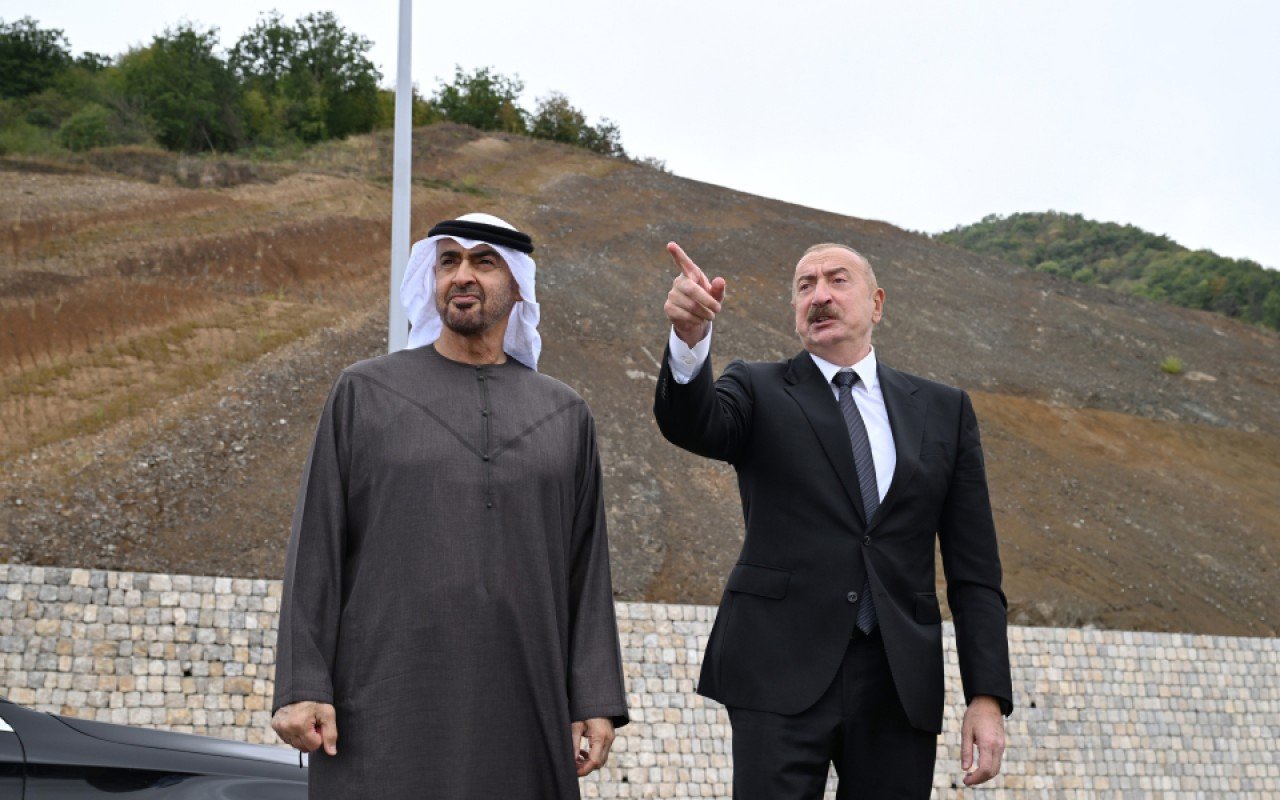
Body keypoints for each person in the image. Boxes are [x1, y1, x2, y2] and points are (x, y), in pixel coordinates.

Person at [272, 213, 629, 799]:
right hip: (382, 703)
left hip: (526, 703)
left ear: (518, 284)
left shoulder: (565, 414)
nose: (462, 275)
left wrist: (593, 696)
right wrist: (301, 684)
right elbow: (317, 545)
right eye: (448, 262)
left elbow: (587, 569)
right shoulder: (364, 392)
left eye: (483, 261)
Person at [653, 241, 1012, 799]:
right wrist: (689, 337)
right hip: (777, 670)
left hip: (898, 681)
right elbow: (693, 425)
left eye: (837, 280)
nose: (819, 295)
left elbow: (975, 570)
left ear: (877, 303)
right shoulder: (757, 387)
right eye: (805, 285)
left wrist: (986, 697)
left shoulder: (944, 410)